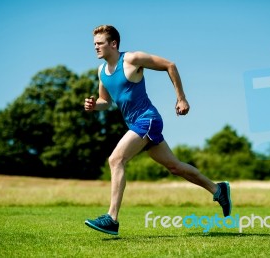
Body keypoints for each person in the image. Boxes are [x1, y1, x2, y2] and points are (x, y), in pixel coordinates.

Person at [84, 25, 231, 235]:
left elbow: (169, 65)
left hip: (147, 120)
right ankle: (218, 190)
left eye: (99, 43)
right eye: (94, 44)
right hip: (136, 124)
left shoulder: (132, 59)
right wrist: (93, 106)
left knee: (116, 160)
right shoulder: (101, 72)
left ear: (113, 44)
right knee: (175, 167)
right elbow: (105, 101)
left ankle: (112, 218)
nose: (95, 47)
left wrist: (181, 98)